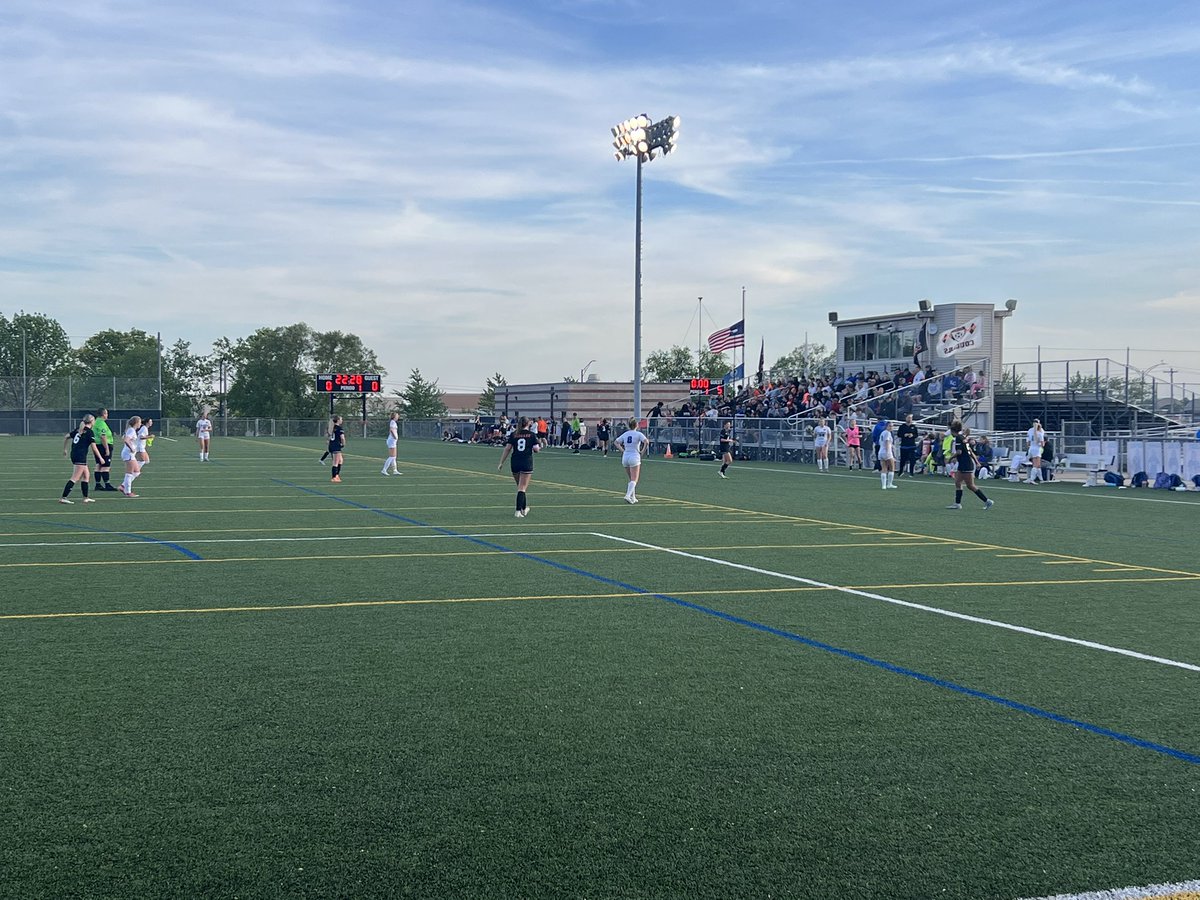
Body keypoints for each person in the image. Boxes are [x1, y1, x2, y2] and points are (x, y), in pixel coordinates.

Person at [497, 416, 541, 517]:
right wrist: (537, 447)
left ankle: (524, 508)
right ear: (528, 423)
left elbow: (507, 449)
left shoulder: (514, 434)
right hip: (526, 462)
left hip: (515, 461)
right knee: (522, 488)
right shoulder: (532, 435)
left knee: (520, 487)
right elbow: (536, 449)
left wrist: (501, 462)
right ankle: (517, 511)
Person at [946, 421, 994, 510]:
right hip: (965, 463)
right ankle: (957, 503)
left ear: (953, 431)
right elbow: (970, 452)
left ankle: (987, 501)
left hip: (965, 464)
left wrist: (950, 458)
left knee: (970, 485)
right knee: (958, 482)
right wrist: (976, 462)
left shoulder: (958, 438)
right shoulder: (963, 438)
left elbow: (959, 452)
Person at [61, 414, 104, 504]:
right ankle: (64, 497)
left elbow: (66, 436)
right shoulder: (89, 432)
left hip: (75, 454)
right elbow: (94, 447)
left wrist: (65, 449)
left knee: (86, 475)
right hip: (80, 456)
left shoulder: (79, 429)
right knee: (75, 478)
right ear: (92, 421)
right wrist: (100, 458)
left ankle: (86, 497)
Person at [615, 417, 648, 503]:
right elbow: (646, 442)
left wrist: (622, 450)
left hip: (625, 457)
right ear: (636, 425)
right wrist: (642, 451)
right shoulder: (638, 434)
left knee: (631, 479)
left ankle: (633, 497)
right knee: (634, 479)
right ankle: (627, 495)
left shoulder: (626, 434)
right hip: (634, 456)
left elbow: (616, 442)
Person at [118, 415, 143, 497]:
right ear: (136, 423)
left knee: (137, 472)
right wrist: (131, 448)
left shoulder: (131, 430)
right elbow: (126, 440)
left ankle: (123, 486)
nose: (140, 424)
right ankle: (128, 492)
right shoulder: (132, 430)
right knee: (129, 472)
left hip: (129, 454)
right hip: (128, 454)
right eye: (139, 422)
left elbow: (124, 438)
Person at [92, 408, 115, 490]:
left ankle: (98, 484)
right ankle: (107, 484)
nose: (107, 415)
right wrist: (107, 449)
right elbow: (103, 436)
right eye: (106, 413)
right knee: (106, 466)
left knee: (98, 464)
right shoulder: (101, 423)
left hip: (97, 445)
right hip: (103, 445)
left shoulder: (96, 422)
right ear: (103, 414)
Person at [877, 420, 897, 489]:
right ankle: (889, 484)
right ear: (886, 426)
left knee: (884, 468)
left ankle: (883, 485)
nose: (891, 427)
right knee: (892, 468)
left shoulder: (882, 433)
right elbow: (887, 442)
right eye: (890, 426)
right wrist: (889, 452)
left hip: (881, 451)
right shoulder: (888, 433)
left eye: (892, 426)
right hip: (886, 452)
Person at [1026, 418, 1046, 484]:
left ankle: (1041, 479)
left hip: (1031, 448)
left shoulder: (1030, 431)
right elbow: (1042, 443)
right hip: (1037, 449)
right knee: (1036, 465)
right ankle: (1031, 479)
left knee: (1038, 465)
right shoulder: (1040, 433)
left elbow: (1028, 442)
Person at [329, 415, 346, 483]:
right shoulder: (339, 428)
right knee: (335, 462)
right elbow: (342, 438)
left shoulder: (332, 427)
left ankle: (337, 475)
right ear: (338, 420)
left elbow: (328, 436)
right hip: (336, 446)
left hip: (332, 445)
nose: (342, 420)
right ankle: (334, 477)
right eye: (341, 419)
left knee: (340, 460)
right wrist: (343, 444)